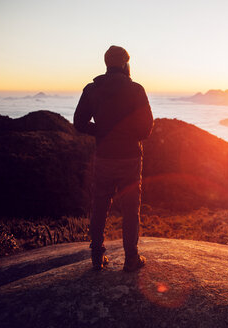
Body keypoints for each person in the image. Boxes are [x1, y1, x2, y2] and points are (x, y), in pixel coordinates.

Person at [74, 45, 154, 272]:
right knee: (131, 209)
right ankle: (131, 259)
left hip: (104, 158)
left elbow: (79, 123)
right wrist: (130, 136)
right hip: (130, 157)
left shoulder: (92, 89)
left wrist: (101, 132)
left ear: (107, 64)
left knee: (99, 205)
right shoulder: (136, 90)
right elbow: (147, 127)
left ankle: (97, 257)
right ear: (126, 64)